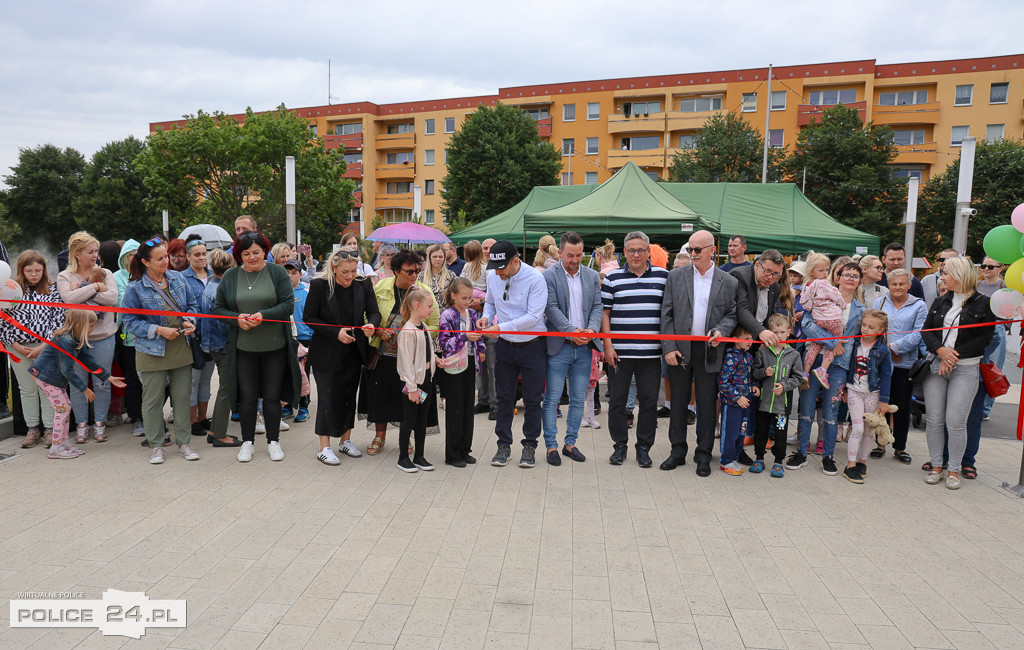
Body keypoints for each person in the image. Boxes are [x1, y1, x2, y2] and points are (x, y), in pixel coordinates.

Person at [214, 230, 302, 463]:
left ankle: (273, 441)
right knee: (247, 397)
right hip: (243, 348)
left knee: (272, 397)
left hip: (275, 347)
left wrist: (264, 316)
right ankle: (247, 442)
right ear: (238, 254)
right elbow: (218, 309)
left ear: (265, 251)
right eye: (246, 253)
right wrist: (237, 319)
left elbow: (287, 306)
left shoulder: (277, 273)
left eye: (257, 252)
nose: (252, 257)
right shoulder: (231, 276)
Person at [660, 230, 738, 476]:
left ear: (712, 250)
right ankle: (677, 452)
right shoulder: (675, 276)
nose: (692, 254)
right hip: (680, 349)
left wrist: (721, 331)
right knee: (678, 403)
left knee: (706, 405)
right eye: (689, 250)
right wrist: (669, 348)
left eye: (697, 250)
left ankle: (703, 454)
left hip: (710, 350)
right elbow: (667, 315)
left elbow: (732, 315)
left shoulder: (728, 281)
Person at [121, 237, 202, 465]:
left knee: (182, 398)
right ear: (145, 262)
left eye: (166, 256)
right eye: (159, 259)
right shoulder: (135, 287)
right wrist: (158, 330)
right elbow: (128, 321)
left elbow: (193, 306)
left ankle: (184, 442)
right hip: (151, 349)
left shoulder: (178, 278)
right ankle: (156, 445)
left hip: (180, 346)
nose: (165, 261)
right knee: (153, 400)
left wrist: (189, 320)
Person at [921, 257, 995, 490]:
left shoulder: (985, 303)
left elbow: (984, 339)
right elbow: (927, 331)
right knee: (934, 420)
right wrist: (941, 351)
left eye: (946, 273)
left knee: (955, 422)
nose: (941, 277)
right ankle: (936, 466)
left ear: (960, 275)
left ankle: (954, 469)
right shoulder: (940, 301)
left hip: (965, 369)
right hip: (936, 367)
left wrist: (953, 356)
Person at [303, 248, 381, 465]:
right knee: (328, 398)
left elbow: (374, 312)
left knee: (348, 397)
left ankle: (345, 441)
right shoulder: (320, 285)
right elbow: (309, 317)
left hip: (354, 350)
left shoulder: (362, 284)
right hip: (326, 352)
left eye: (353, 271)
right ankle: (324, 446)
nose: (349, 276)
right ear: (334, 267)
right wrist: (335, 332)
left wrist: (371, 325)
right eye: (345, 272)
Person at [787, 261, 865, 475]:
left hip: (838, 365)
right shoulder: (821, 294)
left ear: (859, 281)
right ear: (837, 277)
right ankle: (802, 452)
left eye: (855, 276)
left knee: (831, 413)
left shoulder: (861, 310)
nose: (850, 279)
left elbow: (856, 341)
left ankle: (828, 456)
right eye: (846, 274)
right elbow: (807, 325)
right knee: (805, 409)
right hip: (811, 363)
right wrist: (834, 343)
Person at [600, 232, 668, 468]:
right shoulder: (612, 278)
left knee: (649, 403)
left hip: (651, 354)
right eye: (631, 250)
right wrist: (608, 346)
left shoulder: (663, 277)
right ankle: (619, 446)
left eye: (640, 250)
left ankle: (644, 448)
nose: (636, 255)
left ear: (649, 251)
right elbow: (605, 314)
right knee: (617, 402)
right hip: (619, 354)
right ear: (624, 252)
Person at [478, 240, 548, 469]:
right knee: (503, 398)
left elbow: (533, 317)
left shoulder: (536, 279)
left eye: (502, 269)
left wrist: (499, 328)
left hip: (532, 346)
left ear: (515, 261)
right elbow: (489, 303)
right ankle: (503, 445)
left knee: (532, 400)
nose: (498, 274)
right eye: (494, 268)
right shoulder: (492, 276)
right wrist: (486, 318)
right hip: (505, 346)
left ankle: (530, 446)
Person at [365, 249, 440, 455]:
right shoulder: (381, 287)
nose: (414, 275)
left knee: (406, 399)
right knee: (381, 396)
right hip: (384, 354)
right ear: (396, 270)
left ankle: (405, 439)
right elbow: (368, 316)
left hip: (412, 359)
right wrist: (378, 331)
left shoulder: (424, 291)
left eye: (417, 270)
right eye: (409, 271)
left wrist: (415, 335)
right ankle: (379, 436)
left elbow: (435, 325)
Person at [28, 310, 126, 459]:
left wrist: (108, 377)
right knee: (62, 409)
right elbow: (67, 370)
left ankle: (63, 443)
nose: (93, 329)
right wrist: (84, 388)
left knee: (66, 408)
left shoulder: (77, 338)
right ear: (81, 324)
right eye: (91, 325)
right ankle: (55, 447)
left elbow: (89, 362)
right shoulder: (66, 341)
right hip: (45, 377)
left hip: (52, 377)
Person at [541, 231, 602, 466]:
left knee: (578, 398)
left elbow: (597, 306)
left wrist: (591, 330)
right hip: (560, 346)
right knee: (552, 398)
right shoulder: (548, 276)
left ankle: (570, 443)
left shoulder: (592, 275)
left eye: (579, 255)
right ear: (559, 252)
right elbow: (551, 308)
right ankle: (551, 446)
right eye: (570, 255)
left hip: (585, 348)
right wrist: (571, 332)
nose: (575, 260)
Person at [57, 231, 119, 444]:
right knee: (78, 383)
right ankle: (82, 425)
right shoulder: (65, 276)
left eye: (96, 251)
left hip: (104, 336)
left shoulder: (106, 273)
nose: (95, 255)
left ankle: (100, 424)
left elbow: (112, 298)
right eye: (90, 252)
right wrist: (93, 286)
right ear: (76, 253)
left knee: (102, 382)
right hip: (76, 340)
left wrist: (82, 291)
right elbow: (68, 299)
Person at [0, 251, 65, 449]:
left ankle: (49, 430)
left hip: (45, 347)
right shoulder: (11, 290)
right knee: (26, 389)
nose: (34, 274)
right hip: (18, 347)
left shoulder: (52, 291)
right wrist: (16, 344)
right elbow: (3, 321)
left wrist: (43, 346)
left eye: (38, 270)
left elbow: (59, 320)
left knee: (45, 388)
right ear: (22, 270)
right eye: (29, 270)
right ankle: (32, 429)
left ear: (44, 270)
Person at [870, 268, 925, 464]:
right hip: (881, 362)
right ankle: (880, 444)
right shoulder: (880, 302)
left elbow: (918, 334)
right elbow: (873, 328)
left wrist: (894, 348)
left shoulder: (919, 305)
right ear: (888, 285)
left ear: (909, 285)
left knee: (902, 406)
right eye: (894, 284)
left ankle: (900, 447)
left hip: (905, 363)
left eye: (902, 283)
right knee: (881, 403)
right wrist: (886, 352)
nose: (898, 287)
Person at [841, 309, 892, 484]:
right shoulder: (854, 343)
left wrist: (884, 401)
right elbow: (847, 366)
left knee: (869, 430)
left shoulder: (883, 350)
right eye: (864, 325)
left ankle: (862, 461)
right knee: (858, 428)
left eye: (871, 327)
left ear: (880, 330)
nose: (865, 329)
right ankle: (850, 465)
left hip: (873, 394)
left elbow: (886, 376)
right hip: (854, 391)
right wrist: (845, 389)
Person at [437, 277, 484, 467]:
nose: (467, 301)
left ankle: (465, 449)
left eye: (470, 298)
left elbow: (479, 336)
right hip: (454, 364)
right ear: (453, 295)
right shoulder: (447, 316)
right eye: (463, 298)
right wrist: (464, 337)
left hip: (470, 362)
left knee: (467, 407)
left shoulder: (472, 314)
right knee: (455, 408)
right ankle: (452, 453)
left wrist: (481, 349)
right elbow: (445, 344)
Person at [396, 286, 443, 472]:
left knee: (422, 420)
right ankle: (402, 458)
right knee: (408, 420)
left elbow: (427, 350)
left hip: (426, 380)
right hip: (413, 383)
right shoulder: (407, 331)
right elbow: (406, 363)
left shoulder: (423, 327)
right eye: (429, 306)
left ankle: (419, 456)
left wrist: (436, 359)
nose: (432, 309)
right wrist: (412, 388)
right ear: (417, 306)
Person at [751, 314, 802, 478]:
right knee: (761, 432)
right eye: (775, 332)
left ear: (788, 332)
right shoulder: (763, 352)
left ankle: (778, 462)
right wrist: (764, 372)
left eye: (782, 332)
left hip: (782, 406)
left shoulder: (794, 354)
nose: (778, 335)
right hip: (764, 404)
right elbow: (754, 373)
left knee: (780, 434)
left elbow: (798, 378)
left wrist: (785, 386)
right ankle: (759, 458)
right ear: (769, 333)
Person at [200, 249, 241, 447]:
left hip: (212, 344)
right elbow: (225, 322)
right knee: (226, 390)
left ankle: (216, 429)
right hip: (223, 346)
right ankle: (219, 434)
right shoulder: (221, 290)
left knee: (224, 388)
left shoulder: (210, 285)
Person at [181, 235, 215, 438]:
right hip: (193, 338)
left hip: (212, 337)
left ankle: (203, 417)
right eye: (197, 255)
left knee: (206, 380)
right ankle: (191, 420)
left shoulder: (214, 276)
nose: (202, 258)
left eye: (204, 254)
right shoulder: (181, 278)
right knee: (192, 381)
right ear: (188, 256)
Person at [113, 239, 145, 437]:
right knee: (133, 380)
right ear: (125, 258)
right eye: (132, 254)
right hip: (129, 338)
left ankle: (151, 415)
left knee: (153, 381)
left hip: (150, 336)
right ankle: (136, 418)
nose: (136, 258)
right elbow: (123, 302)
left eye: (138, 254)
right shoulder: (117, 277)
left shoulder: (147, 275)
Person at [799, 252, 845, 388]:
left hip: (817, 319)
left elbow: (805, 304)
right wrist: (842, 304)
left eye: (827, 270)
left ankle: (805, 373)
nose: (825, 273)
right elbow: (836, 295)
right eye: (821, 270)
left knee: (815, 345)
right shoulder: (823, 283)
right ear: (811, 271)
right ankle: (822, 370)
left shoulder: (807, 285)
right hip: (832, 318)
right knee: (833, 343)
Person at [717, 327, 756, 476]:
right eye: (746, 339)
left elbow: (749, 376)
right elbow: (723, 381)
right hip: (732, 403)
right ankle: (726, 460)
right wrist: (736, 396)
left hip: (746, 402)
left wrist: (754, 386)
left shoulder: (748, 356)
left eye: (751, 338)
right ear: (734, 339)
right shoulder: (730, 357)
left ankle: (735, 456)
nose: (750, 342)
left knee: (741, 432)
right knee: (730, 432)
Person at [731, 250, 785, 346]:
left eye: (776, 274)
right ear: (757, 265)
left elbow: (769, 314)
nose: (770, 277)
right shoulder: (740, 276)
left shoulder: (775, 287)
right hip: (737, 341)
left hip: (759, 341)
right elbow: (741, 308)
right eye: (767, 271)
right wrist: (761, 332)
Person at [976, 256, 1007, 420]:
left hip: (997, 329)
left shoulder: (1004, 286)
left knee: (991, 369)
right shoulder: (977, 285)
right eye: (983, 266)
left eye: (990, 267)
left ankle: (985, 409)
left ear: (1000, 269)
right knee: (977, 367)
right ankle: (977, 404)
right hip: (978, 329)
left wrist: (1003, 325)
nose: (986, 269)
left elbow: (1012, 308)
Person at [282, 259, 313, 421]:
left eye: (294, 273)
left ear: (300, 275)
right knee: (287, 374)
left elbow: (312, 318)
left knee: (303, 375)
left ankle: (304, 406)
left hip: (304, 340)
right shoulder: (280, 293)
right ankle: (286, 406)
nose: (290, 276)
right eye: (287, 273)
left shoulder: (306, 293)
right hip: (286, 339)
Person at [420, 243, 457, 309]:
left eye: (440, 257)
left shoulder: (451, 275)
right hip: (427, 314)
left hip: (447, 315)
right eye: (434, 257)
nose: (437, 259)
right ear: (429, 258)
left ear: (444, 258)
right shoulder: (421, 276)